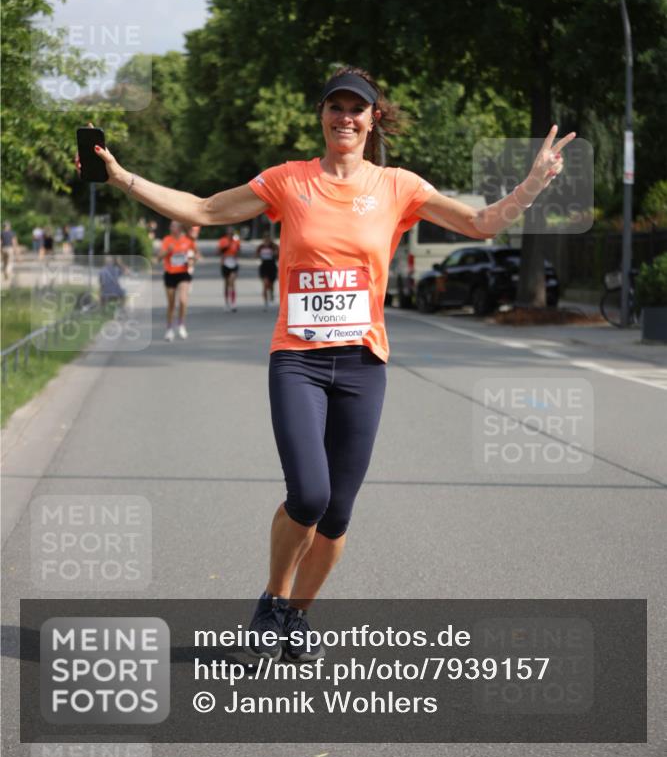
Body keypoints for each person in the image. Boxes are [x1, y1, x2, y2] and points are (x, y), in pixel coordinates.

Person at [76, 67, 573, 661]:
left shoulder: (399, 187)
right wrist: (123, 175)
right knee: (308, 494)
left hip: (363, 365)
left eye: (356, 109)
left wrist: (533, 184)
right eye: (334, 107)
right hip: (299, 361)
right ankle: (271, 603)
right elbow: (206, 210)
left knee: (337, 514)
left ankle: (295, 617)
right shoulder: (290, 180)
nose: (345, 117)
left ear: (373, 118)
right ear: (322, 115)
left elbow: (482, 222)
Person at [159, 220, 196, 341]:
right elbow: (158, 258)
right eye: (170, 225)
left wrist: (191, 261)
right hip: (170, 274)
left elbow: (193, 256)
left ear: (180, 228)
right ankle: (169, 329)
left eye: (173, 226)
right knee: (171, 304)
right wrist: (167, 251)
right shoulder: (166, 240)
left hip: (183, 274)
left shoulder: (188, 241)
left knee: (183, 301)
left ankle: (181, 324)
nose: (171, 227)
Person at [218, 226, 241, 312]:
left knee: (232, 282)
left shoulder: (236, 241)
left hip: (234, 263)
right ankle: (226, 302)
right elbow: (218, 252)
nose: (230, 234)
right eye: (229, 232)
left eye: (232, 232)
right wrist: (225, 249)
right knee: (227, 284)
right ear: (226, 233)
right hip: (225, 263)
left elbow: (239, 251)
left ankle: (233, 303)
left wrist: (236, 254)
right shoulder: (222, 241)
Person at [256, 230, 279, 310]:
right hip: (264, 267)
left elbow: (278, 256)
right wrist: (259, 255)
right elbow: (256, 255)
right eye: (265, 238)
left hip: (272, 267)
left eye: (268, 238)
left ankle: (272, 294)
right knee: (265, 284)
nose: (266, 240)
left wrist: (275, 253)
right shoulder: (261, 247)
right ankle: (266, 302)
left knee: (271, 285)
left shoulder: (274, 246)